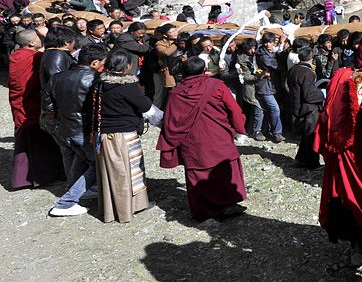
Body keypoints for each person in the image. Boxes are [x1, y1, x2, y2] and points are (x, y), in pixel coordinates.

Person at [315, 37, 362, 266]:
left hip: (345, 154)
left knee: (348, 201)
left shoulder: (342, 78)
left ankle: (357, 248)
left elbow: (327, 117)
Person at [157, 57, 247, 221]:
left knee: (199, 173)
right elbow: (233, 109)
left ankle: (204, 210)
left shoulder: (176, 93)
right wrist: (239, 129)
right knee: (225, 169)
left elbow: (170, 120)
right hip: (218, 135)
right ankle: (228, 204)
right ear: (204, 70)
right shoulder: (216, 85)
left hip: (193, 142)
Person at [92, 49, 160, 223]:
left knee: (112, 173)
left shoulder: (99, 83)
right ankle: (130, 207)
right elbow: (144, 105)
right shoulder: (127, 86)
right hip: (123, 135)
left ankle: (113, 209)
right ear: (128, 66)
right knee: (129, 171)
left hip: (104, 134)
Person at [48, 45, 108, 216]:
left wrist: (54, 127)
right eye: (103, 63)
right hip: (84, 129)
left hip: (64, 127)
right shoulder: (96, 79)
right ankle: (68, 201)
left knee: (80, 159)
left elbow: (48, 106)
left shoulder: (57, 78)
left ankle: (72, 190)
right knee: (98, 163)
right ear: (95, 62)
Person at [9, 29, 65, 189]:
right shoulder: (35, 57)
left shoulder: (16, 56)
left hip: (20, 103)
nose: (41, 40)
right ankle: (42, 177)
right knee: (40, 140)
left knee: (26, 141)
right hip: (31, 104)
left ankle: (24, 179)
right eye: (39, 38)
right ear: (31, 43)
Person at [287, 47, 323, 169]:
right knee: (311, 136)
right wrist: (323, 93)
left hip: (297, 106)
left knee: (305, 136)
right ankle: (312, 163)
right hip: (308, 109)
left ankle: (301, 159)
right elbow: (309, 95)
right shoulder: (307, 73)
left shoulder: (293, 69)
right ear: (311, 59)